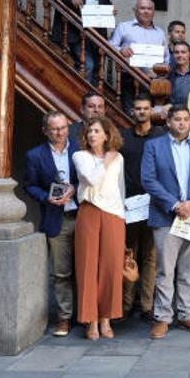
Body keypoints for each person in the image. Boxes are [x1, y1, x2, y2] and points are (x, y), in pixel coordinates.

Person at [142, 106, 190, 340]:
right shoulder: (154, 146)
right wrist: (175, 204)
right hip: (166, 216)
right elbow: (149, 180)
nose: (182, 123)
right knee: (165, 270)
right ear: (169, 122)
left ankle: (187, 314)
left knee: (188, 270)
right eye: (177, 119)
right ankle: (163, 318)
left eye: (186, 120)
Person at [23, 111, 79, 337]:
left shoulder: (80, 149)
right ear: (45, 130)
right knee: (61, 272)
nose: (60, 132)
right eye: (55, 129)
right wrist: (46, 197)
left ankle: (86, 315)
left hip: (84, 216)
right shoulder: (35, 155)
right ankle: (64, 318)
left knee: (85, 268)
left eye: (63, 127)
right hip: (57, 219)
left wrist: (75, 187)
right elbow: (30, 185)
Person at [72, 116, 126, 340]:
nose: (92, 135)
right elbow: (92, 180)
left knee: (111, 266)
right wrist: (106, 161)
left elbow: (119, 188)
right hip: (90, 211)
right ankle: (91, 321)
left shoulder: (119, 158)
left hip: (114, 214)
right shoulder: (80, 156)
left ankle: (106, 319)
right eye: (89, 132)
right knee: (88, 265)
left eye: (96, 131)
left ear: (106, 134)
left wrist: (122, 215)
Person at [119, 94, 165, 321]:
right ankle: (126, 305)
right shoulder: (123, 137)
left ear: (151, 111)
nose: (141, 112)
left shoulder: (160, 136)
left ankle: (147, 306)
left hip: (153, 204)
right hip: (128, 204)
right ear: (132, 112)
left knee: (150, 256)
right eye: (137, 109)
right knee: (128, 253)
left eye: (146, 109)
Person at [109, 0, 168, 107]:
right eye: (142, 8)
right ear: (135, 10)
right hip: (130, 77)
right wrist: (121, 50)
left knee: (150, 115)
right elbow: (109, 46)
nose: (146, 11)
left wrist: (163, 71)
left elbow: (166, 57)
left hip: (151, 81)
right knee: (130, 114)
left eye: (149, 9)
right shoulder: (124, 27)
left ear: (153, 12)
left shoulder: (160, 32)